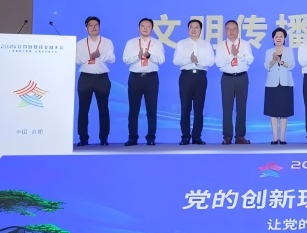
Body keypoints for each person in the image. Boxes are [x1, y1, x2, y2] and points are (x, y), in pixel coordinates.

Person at [122, 18, 166, 146]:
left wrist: (149, 55)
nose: (145, 28)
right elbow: (125, 59)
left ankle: (151, 138)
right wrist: (138, 56)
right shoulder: (131, 43)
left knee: (151, 109)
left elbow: (161, 60)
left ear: (152, 29)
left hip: (151, 78)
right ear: (138, 28)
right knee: (133, 109)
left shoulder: (157, 43)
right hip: (135, 78)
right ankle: (132, 137)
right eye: (143, 26)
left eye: (148, 27)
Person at [75, 16, 115, 146]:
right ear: (86, 27)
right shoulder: (80, 43)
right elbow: (76, 59)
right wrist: (90, 57)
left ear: (99, 26)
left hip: (102, 78)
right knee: (83, 109)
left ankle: (104, 138)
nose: (94, 27)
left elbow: (112, 58)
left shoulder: (107, 42)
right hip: (85, 78)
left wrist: (100, 55)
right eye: (90, 25)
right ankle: (83, 138)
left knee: (103, 109)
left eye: (96, 25)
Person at [173, 19, 214, 145]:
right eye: (191, 27)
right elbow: (176, 60)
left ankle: (196, 137)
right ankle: (185, 136)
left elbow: (211, 61)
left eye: (196, 27)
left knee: (198, 108)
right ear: (188, 29)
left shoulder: (206, 44)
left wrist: (197, 61)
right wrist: (189, 60)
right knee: (185, 108)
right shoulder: (181, 44)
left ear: (200, 30)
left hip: (200, 77)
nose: (194, 30)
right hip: (186, 77)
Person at [215, 20, 254, 145]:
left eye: (234, 29)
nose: (231, 31)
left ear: (238, 30)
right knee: (227, 108)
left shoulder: (245, 44)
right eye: (228, 29)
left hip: (242, 77)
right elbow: (218, 63)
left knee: (241, 108)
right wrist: (231, 56)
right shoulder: (221, 46)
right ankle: (227, 136)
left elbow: (250, 60)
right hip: (227, 78)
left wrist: (239, 54)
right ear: (225, 31)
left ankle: (240, 136)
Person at [263, 27, 295, 144]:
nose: (279, 38)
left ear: (284, 38)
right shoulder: (269, 51)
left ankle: (282, 138)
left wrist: (280, 61)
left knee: (284, 112)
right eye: (276, 36)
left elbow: (292, 65)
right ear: (273, 39)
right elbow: (267, 66)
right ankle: (274, 138)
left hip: (286, 83)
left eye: (281, 36)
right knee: (273, 112)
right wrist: (273, 60)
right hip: (272, 84)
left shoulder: (289, 51)